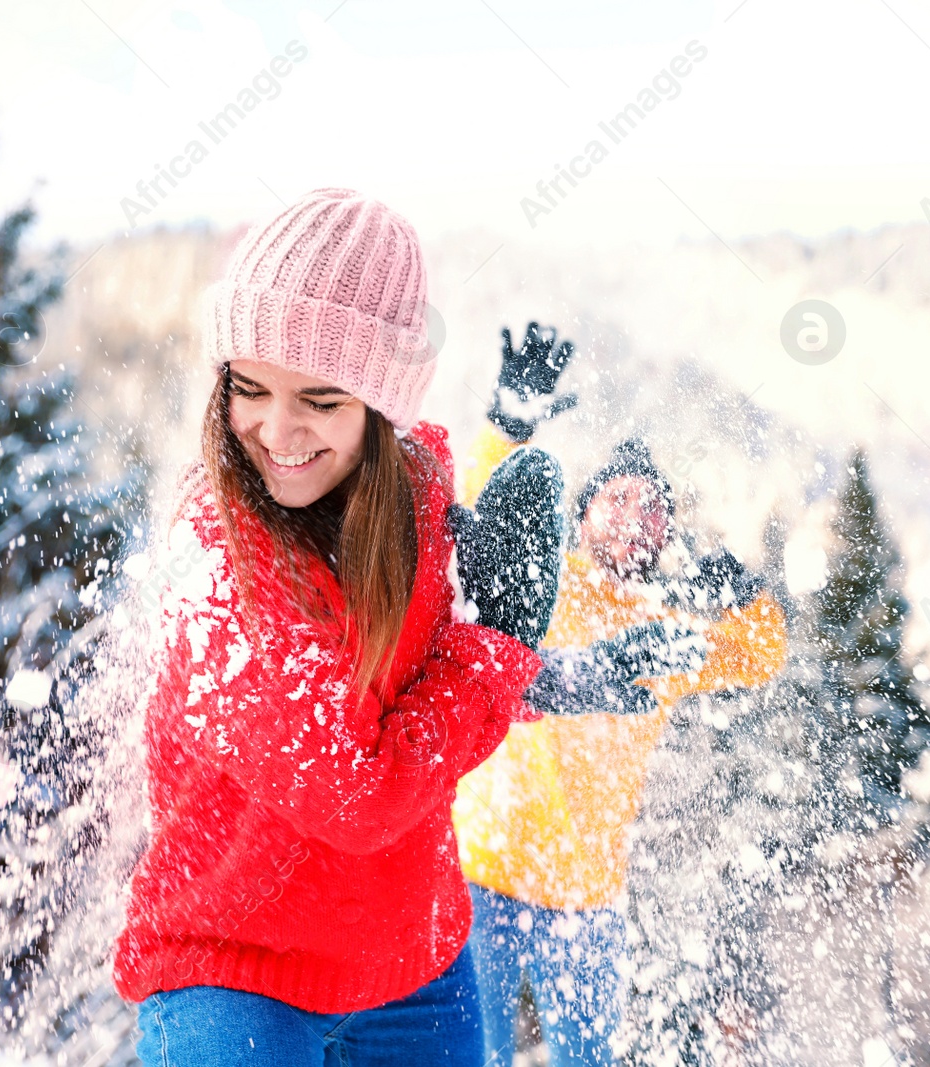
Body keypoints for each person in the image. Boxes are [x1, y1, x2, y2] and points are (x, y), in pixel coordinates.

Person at [112, 189, 568, 1066]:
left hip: (414, 966)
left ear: (381, 404)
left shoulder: (419, 500)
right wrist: (498, 651)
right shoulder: (216, 554)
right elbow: (354, 792)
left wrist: (559, 671)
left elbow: (437, 674)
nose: (274, 431)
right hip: (232, 975)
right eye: (249, 387)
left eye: (319, 399)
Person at [451, 322, 790, 1066]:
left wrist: (742, 592)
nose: (636, 515)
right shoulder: (544, 582)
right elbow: (481, 509)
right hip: (482, 872)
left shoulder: (661, 632)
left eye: (653, 507)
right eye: (620, 497)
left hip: (585, 897)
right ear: (585, 511)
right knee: (469, 1056)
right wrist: (510, 422)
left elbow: (763, 654)